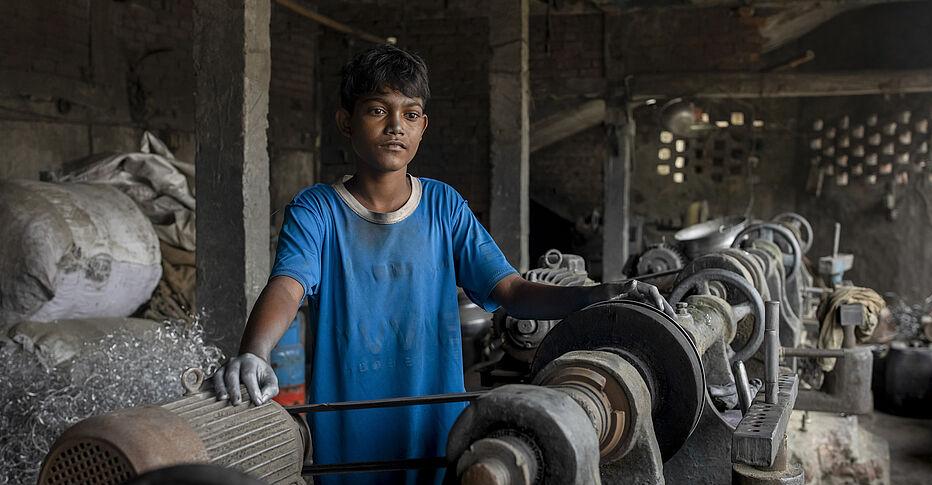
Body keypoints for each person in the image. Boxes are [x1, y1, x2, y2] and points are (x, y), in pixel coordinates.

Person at [212, 44, 673, 485]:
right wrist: (256, 352)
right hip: (347, 444)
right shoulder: (317, 211)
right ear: (345, 121)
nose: (396, 126)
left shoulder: (443, 206)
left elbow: (510, 291)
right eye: (377, 110)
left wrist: (597, 295)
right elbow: (288, 285)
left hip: (437, 438)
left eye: (409, 114)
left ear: (422, 126)